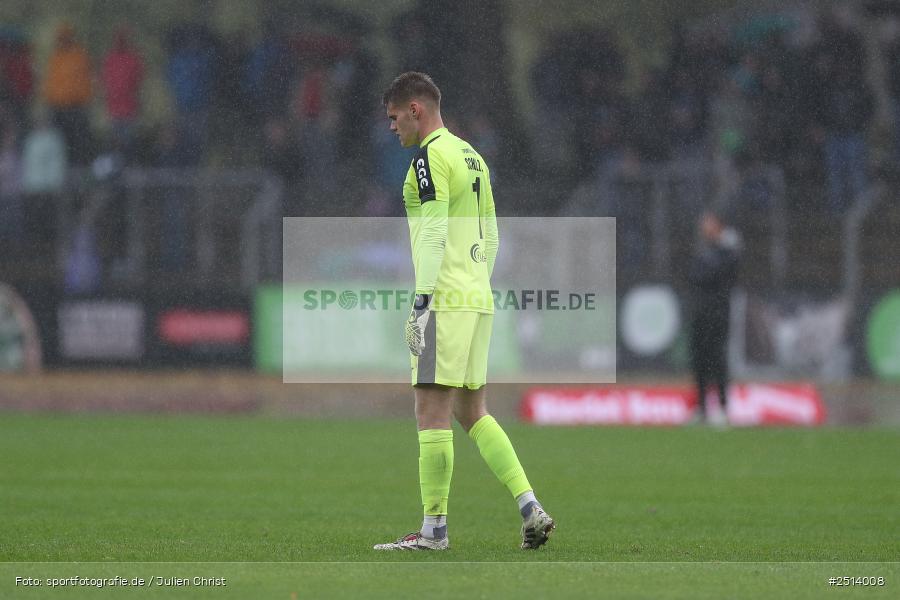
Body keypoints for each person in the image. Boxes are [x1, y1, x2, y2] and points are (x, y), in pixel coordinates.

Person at [373, 72, 554, 551]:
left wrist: (422, 301)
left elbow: (433, 234)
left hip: (445, 299)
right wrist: (476, 284)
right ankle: (529, 506)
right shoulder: (472, 156)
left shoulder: (430, 157)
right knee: (472, 412)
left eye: (394, 118)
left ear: (416, 110)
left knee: (429, 411)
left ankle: (434, 531)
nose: (392, 128)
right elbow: (491, 234)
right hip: (476, 296)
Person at [687, 210, 741, 426]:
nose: (704, 228)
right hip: (700, 312)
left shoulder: (728, 251)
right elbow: (694, 276)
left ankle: (722, 407)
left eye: (708, 223)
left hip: (718, 313)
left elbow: (713, 274)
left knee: (718, 360)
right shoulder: (705, 251)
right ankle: (701, 408)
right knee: (699, 360)